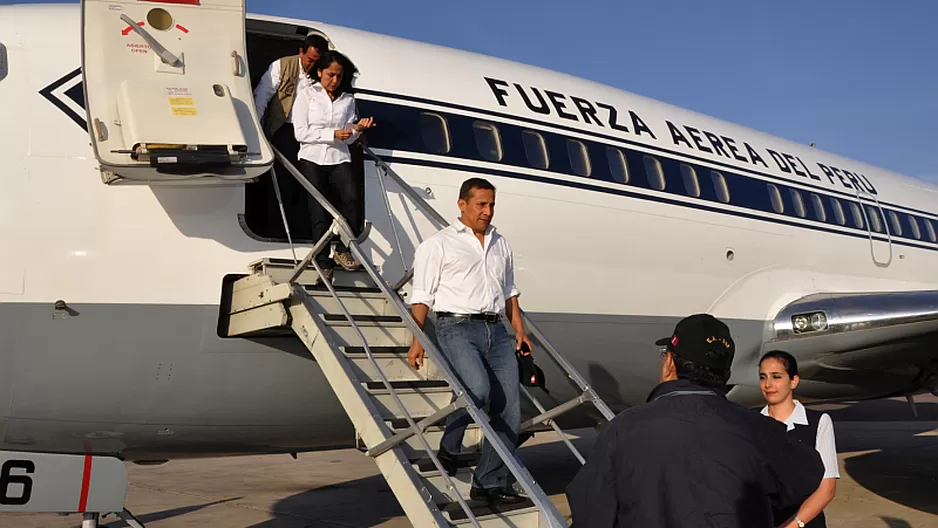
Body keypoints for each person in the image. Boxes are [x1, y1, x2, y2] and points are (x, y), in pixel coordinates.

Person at [566, 314, 825, 527]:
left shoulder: (623, 430)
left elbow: (590, 512)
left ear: (669, 363)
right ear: (724, 374)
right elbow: (805, 477)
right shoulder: (761, 430)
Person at [406, 177, 533, 505]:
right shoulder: (438, 244)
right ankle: (450, 447)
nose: (488, 211)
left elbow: (509, 292)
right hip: (456, 327)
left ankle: (489, 481)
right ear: (462, 204)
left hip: (497, 331)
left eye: (492, 205)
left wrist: (519, 330)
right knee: (477, 390)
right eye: (481, 204)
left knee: (510, 411)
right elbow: (422, 295)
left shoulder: (499, 242)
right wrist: (418, 338)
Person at [293, 50, 375, 274]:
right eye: (330, 75)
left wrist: (357, 129)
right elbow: (300, 133)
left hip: (338, 156)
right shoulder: (307, 95)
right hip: (312, 156)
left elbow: (348, 134)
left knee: (352, 199)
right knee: (319, 207)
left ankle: (341, 247)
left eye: (339, 76)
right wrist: (332, 134)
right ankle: (321, 259)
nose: (334, 80)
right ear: (319, 72)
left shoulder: (348, 100)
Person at [251, 34, 329, 235]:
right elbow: (262, 97)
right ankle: (276, 230)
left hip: (310, 135)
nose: (312, 65)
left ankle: (303, 230)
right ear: (301, 52)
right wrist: (257, 131)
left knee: (308, 184)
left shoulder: (322, 75)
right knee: (282, 183)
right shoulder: (281, 66)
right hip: (284, 130)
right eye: (310, 59)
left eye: (316, 61)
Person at [760, 351, 839, 528]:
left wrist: (793, 524)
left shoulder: (818, 422)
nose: (768, 384)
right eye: (763, 377)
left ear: (794, 381)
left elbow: (827, 489)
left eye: (777, 377)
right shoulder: (751, 422)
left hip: (806, 523)